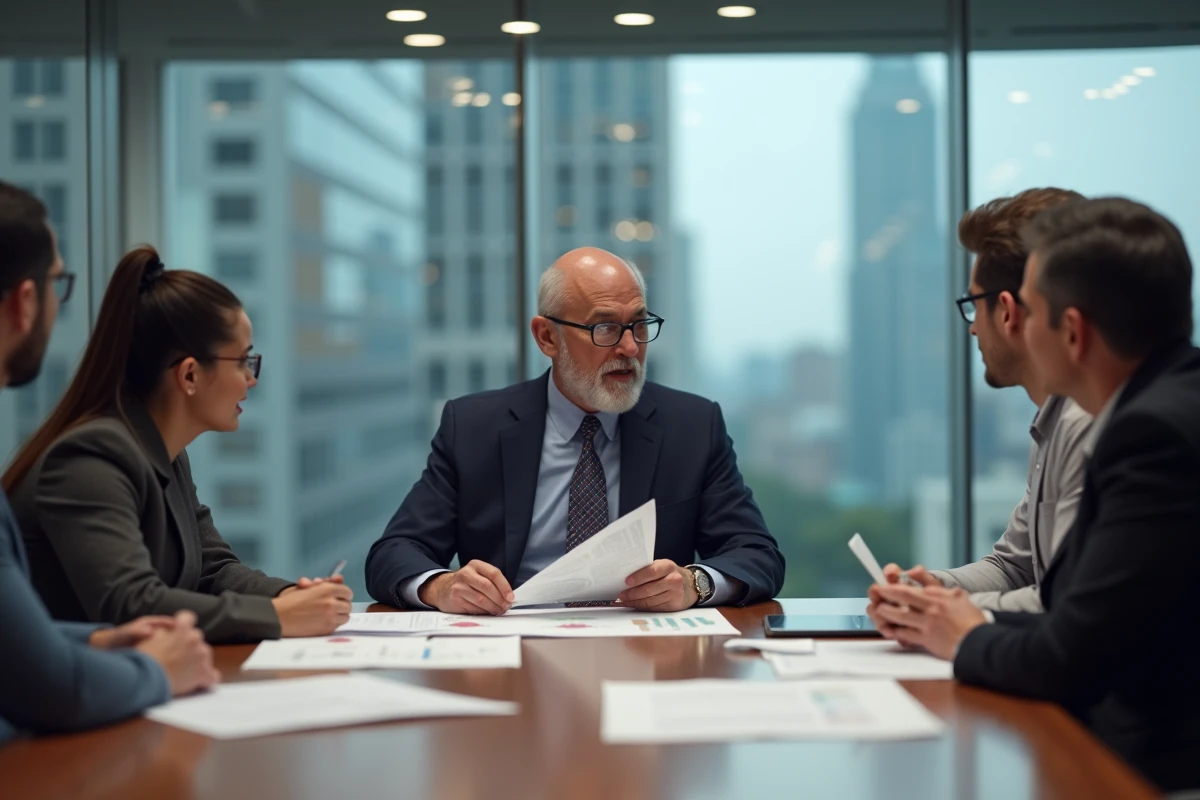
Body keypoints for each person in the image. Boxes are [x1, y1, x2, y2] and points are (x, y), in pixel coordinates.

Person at [867, 197, 1200, 792]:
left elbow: (1073, 649)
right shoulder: (1161, 406)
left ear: (1069, 330)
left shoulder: (1148, 436)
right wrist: (940, 604)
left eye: (1036, 310)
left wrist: (963, 631)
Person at [366, 247, 785, 614]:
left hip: (646, 650)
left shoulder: (692, 425)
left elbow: (757, 555)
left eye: (639, 325)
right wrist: (443, 587)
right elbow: (393, 555)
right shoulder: (474, 426)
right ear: (547, 337)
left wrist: (695, 584)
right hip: (512, 649)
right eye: (604, 328)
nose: (629, 348)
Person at [3, 245, 352, 644]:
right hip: (60, 697)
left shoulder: (163, 451)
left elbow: (212, 569)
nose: (251, 379)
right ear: (189, 375)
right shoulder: (89, 459)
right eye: (243, 361)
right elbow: (131, 604)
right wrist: (277, 616)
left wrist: (291, 596)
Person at [0, 180, 218, 744]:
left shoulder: (166, 451)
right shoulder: (92, 453)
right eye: (57, 283)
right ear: (23, 302)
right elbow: (50, 687)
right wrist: (159, 669)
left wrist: (91, 640)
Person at [883, 188, 1092, 612]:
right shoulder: (1051, 420)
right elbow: (1015, 567)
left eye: (972, 306)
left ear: (1008, 310)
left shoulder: (1086, 422)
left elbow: (1067, 605)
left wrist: (951, 614)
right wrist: (928, 589)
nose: (973, 329)